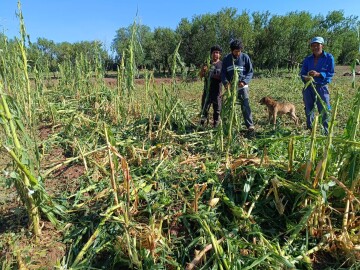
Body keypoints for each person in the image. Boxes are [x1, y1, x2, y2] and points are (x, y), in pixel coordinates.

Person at [300, 36, 335, 135]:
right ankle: (310, 128)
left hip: (321, 87)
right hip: (309, 87)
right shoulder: (308, 59)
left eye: (317, 45)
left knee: (324, 108)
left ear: (322, 45)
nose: (315, 47)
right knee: (308, 107)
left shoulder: (329, 58)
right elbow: (302, 72)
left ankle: (325, 131)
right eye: (313, 45)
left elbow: (330, 73)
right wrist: (305, 77)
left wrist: (318, 74)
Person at [221, 38, 255, 131]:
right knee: (230, 106)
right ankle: (231, 125)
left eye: (239, 51)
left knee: (245, 105)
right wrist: (226, 83)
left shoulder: (245, 57)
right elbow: (223, 73)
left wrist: (244, 81)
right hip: (231, 87)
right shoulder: (226, 59)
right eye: (236, 51)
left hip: (242, 86)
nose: (238, 53)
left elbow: (250, 72)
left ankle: (250, 125)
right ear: (232, 50)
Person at [199, 45, 223, 127]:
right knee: (204, 109)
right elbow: (201, 76)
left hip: (217, 92)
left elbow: (222, 77)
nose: (216, 54)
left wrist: (210, 74)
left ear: (220, 55)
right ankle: (201, 125)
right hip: (207, 91)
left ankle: (215, 125)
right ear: (211, 54)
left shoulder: (221, 65)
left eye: (218, 53)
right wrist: (203, 70)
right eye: (214, 52)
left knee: (217, 110)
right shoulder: (207, 64)